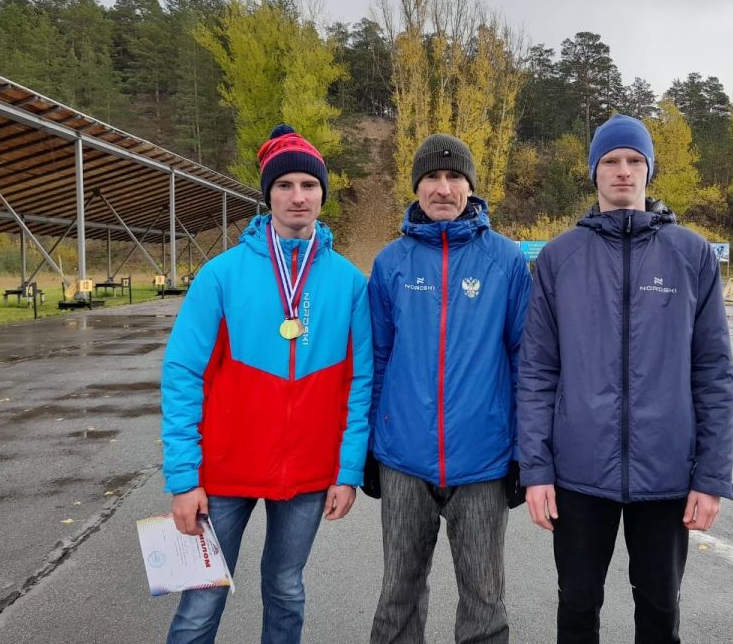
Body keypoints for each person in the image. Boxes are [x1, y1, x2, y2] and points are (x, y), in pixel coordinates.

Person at [517, 114, 733, 644]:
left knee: (660, 612)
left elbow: (713, 372)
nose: (623, 171)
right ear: (594, 172)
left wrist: (711, 476)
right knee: (576, 607)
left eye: (634, 161)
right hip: (578, 472)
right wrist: (536, 470)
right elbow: (537, 371)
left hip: (666, 472)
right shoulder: (559, 257)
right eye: (611, 161)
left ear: (648, 170)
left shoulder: (691, 254)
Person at [160, 124, 372, 644]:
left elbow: (361, 381)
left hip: (306, 476)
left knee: (286, 588)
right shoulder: (221, 275)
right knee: (199, 601)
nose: (297, 196)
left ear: (323, 194)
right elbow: (182, 373)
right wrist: (183, 479)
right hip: (221, 473)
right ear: (268, 195)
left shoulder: (349, 283)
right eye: (285, 186)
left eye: (308, 185)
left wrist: (346, 472)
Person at [367, 133, 532, 644]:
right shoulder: (389, 262)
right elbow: (375, 358)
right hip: (404, 460)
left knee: (485, 602)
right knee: (398, 596)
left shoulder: (506, 261)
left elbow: (526, 360)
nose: (443, 188)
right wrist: (369, 449)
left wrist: (526, 451)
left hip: (482, 460)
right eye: (432, 177)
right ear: (416, 186)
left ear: (471, 187)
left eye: (454, 176)